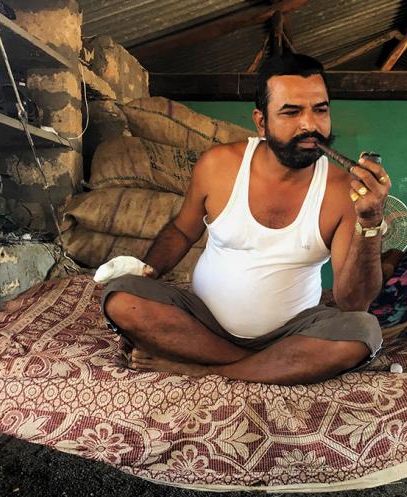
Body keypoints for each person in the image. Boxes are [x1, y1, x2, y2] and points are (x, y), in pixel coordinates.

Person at [102, 53, 391, 385]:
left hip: (293, 333)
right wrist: (148, 270)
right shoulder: (219, 166)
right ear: (261, 122)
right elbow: (182, 231)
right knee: (121, 296)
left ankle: (202, 368)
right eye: (291, 112)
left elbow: (353, 302)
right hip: (203, 324)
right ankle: (264, 365)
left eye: (320, 109)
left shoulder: (342, 191)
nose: (310, 124)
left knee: (364, 330)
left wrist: (369, 222)